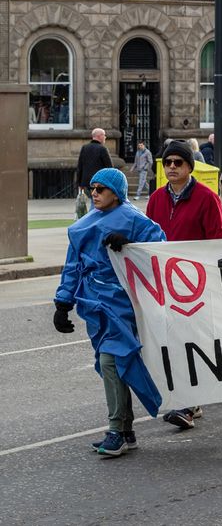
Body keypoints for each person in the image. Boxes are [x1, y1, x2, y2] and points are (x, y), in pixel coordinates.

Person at [53, 168, 166, 457]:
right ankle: (126, 430)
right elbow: (73, 265)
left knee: (111, 360)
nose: (95, 193)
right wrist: (63, 302)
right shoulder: (84, 225)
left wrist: (130, 245)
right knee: (113, 363)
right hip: (94, 304)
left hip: (124, 301)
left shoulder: (134, 219)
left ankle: (116, 429)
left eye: (101, 188)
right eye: (93, 188)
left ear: (116, 192)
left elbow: (160, 248)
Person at [147, 140, 222, 429]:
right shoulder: (157, 198)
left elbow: (218, 239)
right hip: (165, 283)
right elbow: (147, 236)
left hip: (195, 283)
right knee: (171, 340)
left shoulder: (206, 197)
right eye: (167, 163)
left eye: (177, 163)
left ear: (189, 167)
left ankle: (189, 403)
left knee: (191, 340)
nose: (171, 168)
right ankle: (187, 398)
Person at [76, 128, 113, 201]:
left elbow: (80, 166)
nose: (105, 137)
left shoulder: (85, 148)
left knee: (94, 201)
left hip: (86, 182)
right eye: (104, 135)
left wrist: (79, 183)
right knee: (96, 203)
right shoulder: (102, 149)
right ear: (100, 136)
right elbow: (109, 167)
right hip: (99, 183)